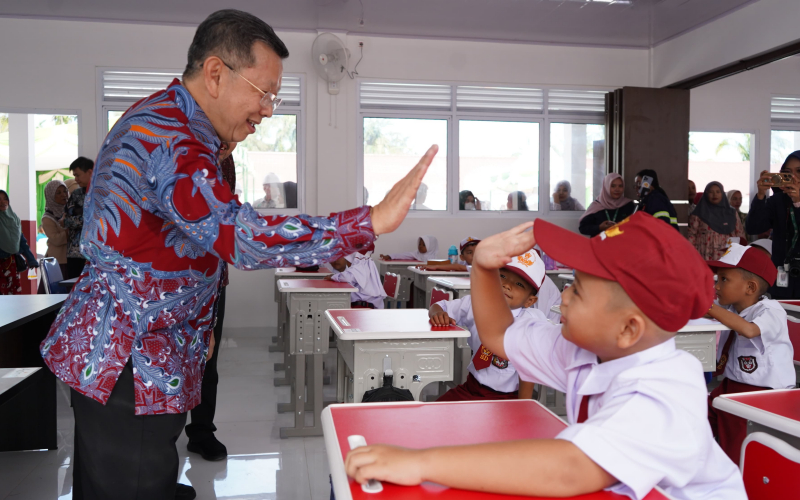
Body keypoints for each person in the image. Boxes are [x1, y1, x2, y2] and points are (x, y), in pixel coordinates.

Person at [38, 10, 438, 500]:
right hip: (130, 361)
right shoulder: (174, 139)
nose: (268, 110)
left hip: (139, 351)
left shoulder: (176, 124)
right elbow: (238, 235)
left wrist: (198, 329)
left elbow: (179, 247)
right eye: (264, 91)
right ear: (214, 74)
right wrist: (367, 222)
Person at [344, 213, 746, 499]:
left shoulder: (666, 391)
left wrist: (421, 463)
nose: (563, 298)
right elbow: (500, 335)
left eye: (577, 291)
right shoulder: (588, 349)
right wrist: (483, 266)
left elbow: (570, 468)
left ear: (628, 329)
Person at [705, 244, 795, 462]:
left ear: (750, 287)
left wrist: (708, 307)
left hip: (762, 393)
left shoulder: (771, 310)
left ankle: (736, 478)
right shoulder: (730, 307)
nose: (717, 287)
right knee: (698, 419)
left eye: (724, 280)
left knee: (737, 444)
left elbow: (748, 329)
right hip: (731, 385)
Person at [429, 252, 541, 401]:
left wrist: (523, 405)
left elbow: (528, 370)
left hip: (506, 398)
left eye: (519, 284)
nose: (507, 285)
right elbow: (438, 305)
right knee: (435, 413)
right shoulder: (476, 303)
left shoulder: (529, 324)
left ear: (530, 301)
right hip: (471, 388)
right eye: (502, 276)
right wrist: (438, 313)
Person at [184, 151, 236, 462]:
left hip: (213, 276)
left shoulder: (226, 157)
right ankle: (159, 445)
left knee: (208, 359)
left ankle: (201, 431)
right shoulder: (180, 143)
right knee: (167, 359)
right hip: (170, 276)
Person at [747, 151, 800, 299]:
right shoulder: (778, 201)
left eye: (799, 171)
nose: (794, 177)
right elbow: (753, 227)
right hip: (782, 275)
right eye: (788, 173)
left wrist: (798, 203)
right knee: (782, 317)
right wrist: (761, 195)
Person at [688, 182, 746, 260]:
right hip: (704, 255)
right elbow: (691, 235)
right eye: (711, 192)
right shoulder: (698, 213)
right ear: (706, 194)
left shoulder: (731, 213)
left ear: (722, 193)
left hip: (727, 256)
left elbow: (740, 234)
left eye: (718, 192)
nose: (715, 195)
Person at [0, 190, 39, 295]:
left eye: (5, 198)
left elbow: (22, 242)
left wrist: (31, 260)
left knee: (14, 297)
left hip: (12, 265)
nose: (3, 202)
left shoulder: (14, 219)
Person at [578, 173, 635, 237]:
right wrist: (599, 227)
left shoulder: (628, 205)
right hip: (599, 245)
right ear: (606, 187)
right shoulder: (596, 205)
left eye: (620, 186)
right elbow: (582, 228)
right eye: (613, 186)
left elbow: (635, 227)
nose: (617, 189)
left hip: (621, 244)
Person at [64, 156, 93, 279]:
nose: (75, 179)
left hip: (96, 254)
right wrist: (88, 218)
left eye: (78, 175)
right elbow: (66, 221)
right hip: (75, 255)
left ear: (90, 172)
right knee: (74, 290)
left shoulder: (103, 193)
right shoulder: (76, 194)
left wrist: (80, 216)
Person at [41, 179, 69, 279]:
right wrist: (71, 231)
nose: (64, 195)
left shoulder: (70, 211)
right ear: (51, 196)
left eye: (65, 191)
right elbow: (56, 239)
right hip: (58, 261)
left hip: (71, 259)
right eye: (58, 193)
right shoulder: (47, 218)